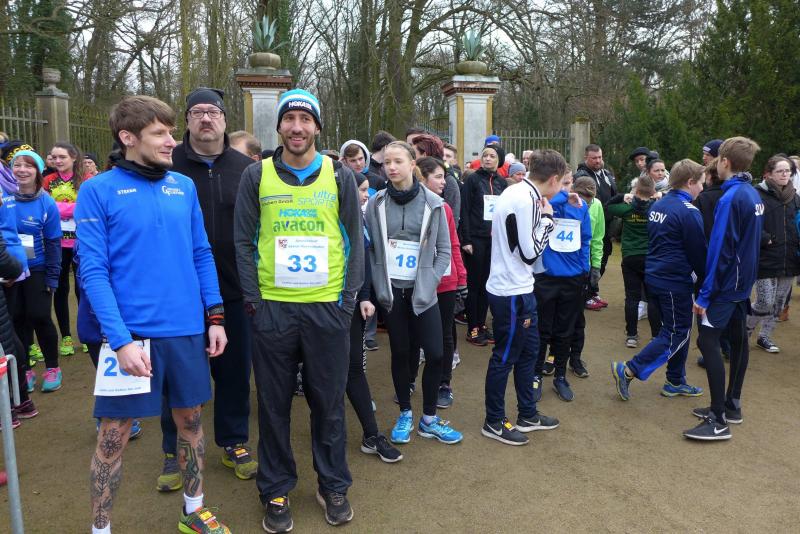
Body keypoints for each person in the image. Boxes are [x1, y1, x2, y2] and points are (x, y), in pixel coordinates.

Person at [78, 95, 230, 533]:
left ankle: (193, 510)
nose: (170, 141)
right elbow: (93, 271)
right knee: (113, 436)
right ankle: (101, 529)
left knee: (192, 423)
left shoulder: (182, 186)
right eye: (159, 133)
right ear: (128, 137)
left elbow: (201, 253)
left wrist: (215, 317)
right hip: (131, 337)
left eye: (170, 132)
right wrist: (120, 340)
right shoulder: (97, 190)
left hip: (185, 331)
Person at [234, 89, 363, 531]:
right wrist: (254, 301)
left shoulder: (340, 175)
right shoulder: (256, 175)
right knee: (273, 405)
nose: (296, 127)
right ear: (279, 127)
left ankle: (333, 485)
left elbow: (354, 240)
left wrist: (347, 302)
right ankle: (275, 488)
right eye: (289, 119)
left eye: (305, 120)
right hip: (273, 309)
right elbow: (243, 241)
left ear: (317, 127)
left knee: (328, 403)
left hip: (327, 308)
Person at [167, 87, 258, 484]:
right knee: (177, 374)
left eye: (213, 112)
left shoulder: (246, 168)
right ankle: (173, 448)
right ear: (186, 120)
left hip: (234, 287)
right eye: (197, 112)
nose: (206, 118)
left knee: (234, 370)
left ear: (224, 119)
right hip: (178, 290)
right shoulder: (168, 164)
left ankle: (234, 440)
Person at [364, 141, 463, 447]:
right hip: (392, 293)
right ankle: (405, 413)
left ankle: (429, 419)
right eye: (387, 163)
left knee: (435, 353)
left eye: (398, 161)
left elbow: (444, 250)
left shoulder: (434, 203)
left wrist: (430, 281)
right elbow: (370, 249)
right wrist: (379, 283)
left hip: (424, 293)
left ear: (412, 165)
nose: (391, 167)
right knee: (401, 354)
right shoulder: (376, 204)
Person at [482, 149, 563, 446]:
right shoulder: (526, 198)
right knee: (505, 357)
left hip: (518, 287)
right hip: (511, 291)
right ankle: (494, 421)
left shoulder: (517, 190)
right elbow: (529, 253)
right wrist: (548, 220)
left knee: (529, 352)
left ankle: (527, 414)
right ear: (554, 179)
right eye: (562, 182)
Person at [686, 136, 763, 441]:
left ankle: (718, 419)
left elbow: (721, 249)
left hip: (727, 285)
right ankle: (732, 405)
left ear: (725, 162)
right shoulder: (751, 193)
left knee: (707, 341)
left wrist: (706, 294)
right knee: (738, 340)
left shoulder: (731, 198)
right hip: (741, 283)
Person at [611, 159, 708, 402]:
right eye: (701, 183)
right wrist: (707, 282)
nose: (703, 188)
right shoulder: (688, 211)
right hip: (674, 279)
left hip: (657, 274)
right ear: (690, 182)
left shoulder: (660, 204)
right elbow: (698, 254)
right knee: (677, 331)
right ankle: (629, 369)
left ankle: (675, 380)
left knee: (678, 329)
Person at [349, 170, 402, 463]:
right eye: (361, 189)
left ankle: (371, 434)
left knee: (354, 368)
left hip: (351, 305)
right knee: (322, 374)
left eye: (368, 190)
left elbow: (364, 262)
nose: (366, 195)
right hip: (318, 308)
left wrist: (365, 296)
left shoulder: (360, 218)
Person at [408, 156, 467, 409]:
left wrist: (461, 278)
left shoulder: (445, 208)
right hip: (413, 280)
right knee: (412, 333)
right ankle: (409, 378)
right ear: (422, 177)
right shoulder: (407, 206)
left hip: (444, 281)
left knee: (444, 333)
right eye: (439, 177)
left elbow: (453, 244)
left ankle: (444, 383)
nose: (445, 182)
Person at [533, 169, 591, 402]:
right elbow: (543, 208)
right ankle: (535, 375)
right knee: (542, 329)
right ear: (553, 183)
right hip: (546, 277)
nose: (567, 188)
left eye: (569, 183)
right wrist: (563, 197)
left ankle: (559, 376)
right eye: (562, 184)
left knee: (565, 330)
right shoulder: (545, 204)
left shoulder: (580, 207)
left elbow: (585, 239)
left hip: (573, 278)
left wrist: (584, 268)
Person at [9, 149, 63, 393]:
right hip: (9, 269)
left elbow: (53, 242)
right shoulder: (3, 197)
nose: (22, 170)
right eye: (17, 165)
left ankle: (52, 367)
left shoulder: (46, 202)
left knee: (39, 315)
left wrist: (53, 276)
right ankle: (25, 370)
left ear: (38, 171)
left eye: (28, 165)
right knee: (17, 318)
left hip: (37, 267)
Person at [745, 155, 800, 353]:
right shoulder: (756, 194)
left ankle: (765, 337)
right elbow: (747, 221)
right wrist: (764, 238)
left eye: (788, 171)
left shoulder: (795, 197)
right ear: (768, 174)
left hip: (789, 257)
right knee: (764, 301)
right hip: (765, 257)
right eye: (780, 171)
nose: (785, 174)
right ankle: (744, 333)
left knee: (778, 304)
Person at [460, 144, 507, 345]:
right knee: (474, 285)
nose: (487, 159)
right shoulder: (473, 180)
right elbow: (465, 210)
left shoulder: (502, 183)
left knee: (487, 284)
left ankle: (481, 324)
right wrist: (466, 240)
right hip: (476, 240)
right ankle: (472, 327)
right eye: (485, 155)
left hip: (494, 241)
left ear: (499, 160)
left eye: (492, 156)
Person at [607, 175, 661, 347]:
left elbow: (608, 205)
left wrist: (623, 196)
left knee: (632, 297)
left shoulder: (627, 208)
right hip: (651, 257)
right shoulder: (657, 208)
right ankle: (656, 336)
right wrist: (661, 196)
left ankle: (631, 335)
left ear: (636, 190)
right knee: (653, 298)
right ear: (653, 190)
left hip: (630, 257)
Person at [43, 141, 86, 358]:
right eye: (54, 157)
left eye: (62, 157)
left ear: (74, 157)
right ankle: (66, 337)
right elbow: (45, 206)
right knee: (60, 290)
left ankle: (86, 334)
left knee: (82, 288)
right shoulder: (48, 181)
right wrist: (70, 209)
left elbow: (86, 208)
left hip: (81, 242)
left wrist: (58, 208)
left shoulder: (86, 179)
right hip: (57, 244)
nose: (58, 161)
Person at [568, 176, 605, 375]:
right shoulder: (564, 203)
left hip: (583, 268)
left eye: (590, 201)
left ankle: (575, 359)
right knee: (557, 318)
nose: (586, 204)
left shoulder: (596, 205)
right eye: (584, 199)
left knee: (578, 319)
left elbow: (597, 238)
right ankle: (552, 357)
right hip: (563, 267)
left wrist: (595, 267)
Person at [573, 144, 617, 307]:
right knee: (589, 261)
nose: (598, 161)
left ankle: (592, 291)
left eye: (600, 157)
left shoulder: (606, 174)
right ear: (586, 158)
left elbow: (612, 195)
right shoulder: (582, 176)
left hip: (604, 224)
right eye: (594, 158)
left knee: (601, 258)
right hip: (588, 226)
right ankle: (586, 294)